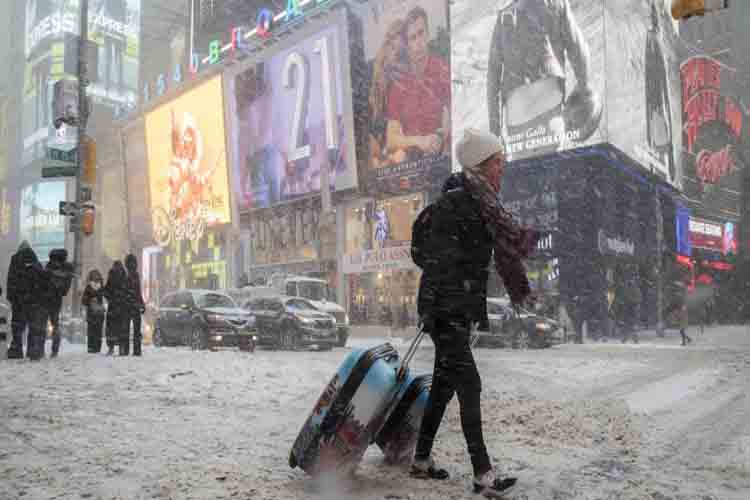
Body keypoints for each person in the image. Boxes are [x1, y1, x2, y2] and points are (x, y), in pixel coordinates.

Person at [410, 129, 538, 497]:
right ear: (481, 165)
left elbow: (492, 252)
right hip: (446, 308)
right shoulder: (458, 203)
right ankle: (483, 473)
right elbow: (433, 258)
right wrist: (450, 296)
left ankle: (420, 460)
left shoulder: (479, 203)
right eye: (498, 163)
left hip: (454, 307)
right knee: (470, 383)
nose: (503, 170)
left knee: (445, 384)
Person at [487, 0, 600, 158]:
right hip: (549, 101)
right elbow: (579, 50)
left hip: (517, 111)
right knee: (552, 171)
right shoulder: (557, 4)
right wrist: (584, 86)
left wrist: (496, 133)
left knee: (526, 173)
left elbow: (493, 78)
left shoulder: (504, 16)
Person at [385, 7, 451, 160]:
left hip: (442, 154)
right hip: (412, 160)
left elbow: (456, 114)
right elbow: (391, 139)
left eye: (421, 33)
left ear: (428, 34)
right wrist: (419, 141)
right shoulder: (399, 83)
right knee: (398, 157)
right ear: (407, 44)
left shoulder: (442, 70)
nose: (418, 42)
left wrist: (441, 136)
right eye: (412, 38)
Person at [369, 19, 409, 168]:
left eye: (400, 54)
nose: (394, 57)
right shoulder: (376, 86)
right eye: (392, 48)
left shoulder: (407, 83)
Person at [6, 242, 48, 361]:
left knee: (17, 326)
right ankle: (32, 351)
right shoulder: (36, 262)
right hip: (33, 301)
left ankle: (16, 350)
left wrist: (12, 298)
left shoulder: (15, 261)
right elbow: (42, 282)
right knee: (33, 327)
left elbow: (10, 281)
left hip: (18, 300)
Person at [43, 249, 74, 358]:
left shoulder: (49, 267)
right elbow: (65, 290)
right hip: (56, 299)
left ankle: (40, 349)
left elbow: (43, 281)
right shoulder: (66, 270)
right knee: (55, 324)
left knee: (43, 324)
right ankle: (54, 350)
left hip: (46, 298)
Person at [103, 261, 129, 356]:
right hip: (120, 307)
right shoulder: (124, 277)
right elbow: (127, 291)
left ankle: (111, 348)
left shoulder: (113, 276)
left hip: (114, 306)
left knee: (112, 328)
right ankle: (120, 348)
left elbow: (106, 289)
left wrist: (110, 297)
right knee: (120, 328)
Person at [124, 254, 146, 356]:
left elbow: (138, 291)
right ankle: (128, 350)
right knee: (128, 329)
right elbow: (135, 291)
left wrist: (142, 303)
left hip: (133, 305)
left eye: (133, 263)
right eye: (131, 263)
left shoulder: (135, 275)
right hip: (129, 305)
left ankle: (135, 350)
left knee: (134, 330)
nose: (132, 265)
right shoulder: (125, 275)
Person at [82, 269, 106, 353]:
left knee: (92, 331)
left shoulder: (88, 288)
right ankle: (96, 348)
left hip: (92, 313)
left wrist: (89, 301)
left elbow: (84, 301)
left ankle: (91, 348)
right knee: (97, 331)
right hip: (99, 313)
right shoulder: (102, 288)